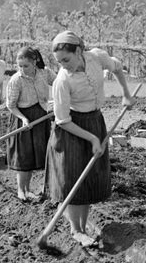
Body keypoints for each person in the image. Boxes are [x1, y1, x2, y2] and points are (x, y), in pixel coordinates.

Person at [44, 30, 134, 247]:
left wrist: (126, 94)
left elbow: (117, 67)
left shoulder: (96, 58)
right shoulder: (62, 81)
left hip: (94, 121)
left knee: (88, 178)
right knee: (74, 177)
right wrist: (92, 139)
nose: (63, 65)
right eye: (59, 62)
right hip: (72, 130)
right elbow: (63, 120)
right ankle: (76, 230)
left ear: (79, 51)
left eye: (66, 59)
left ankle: (83, 227)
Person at [6, 47, 56, 201]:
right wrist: (23, 118)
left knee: (35, 155)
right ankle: (21, 191)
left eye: (25, 66)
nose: (22, 69)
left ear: (34, 62)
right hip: (23, 119)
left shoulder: (44, 73)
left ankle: (29, 190)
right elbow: (11, 105)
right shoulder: (16, 80)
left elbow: (60, 83)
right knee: (24, 157)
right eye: (19, 66)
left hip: (40, 117)